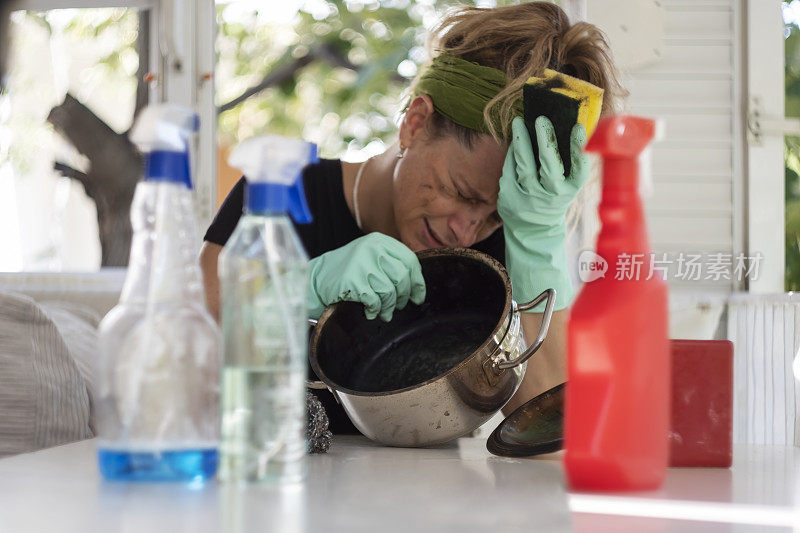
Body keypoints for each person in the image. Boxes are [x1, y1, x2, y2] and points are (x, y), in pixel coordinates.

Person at [200, 1, 625, 434]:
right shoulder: (282, 192)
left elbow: (548, 433)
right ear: (415, 123)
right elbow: (184, 341)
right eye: (459, 192)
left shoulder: (496, 255)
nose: (466, 230)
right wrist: (298, 286)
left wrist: (536, 237)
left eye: (495, 216)